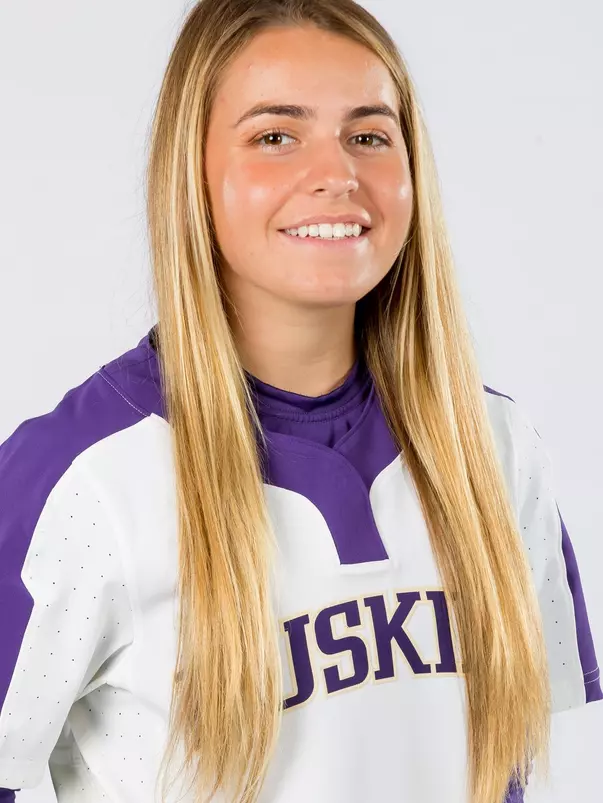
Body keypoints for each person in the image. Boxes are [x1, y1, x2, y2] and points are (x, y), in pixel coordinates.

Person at [0, 1, 600, 801]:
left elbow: (509, 763)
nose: (336, 173)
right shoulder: (78, 480)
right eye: (274, 136)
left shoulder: (492, 445)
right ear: (194, 172)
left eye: (368, 135)